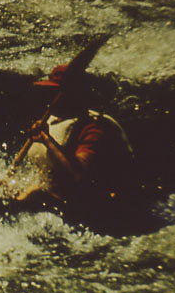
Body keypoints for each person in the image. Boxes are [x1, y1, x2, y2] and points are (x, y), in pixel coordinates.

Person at [17, 63, 137, 211]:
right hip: (56, 196)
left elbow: (80, 178)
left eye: (54, 93)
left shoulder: (94, 128)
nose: (49, 98)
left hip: (91, 206)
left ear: (71, 95)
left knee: (34, 193)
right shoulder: (53, 120)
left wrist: (47, 140)